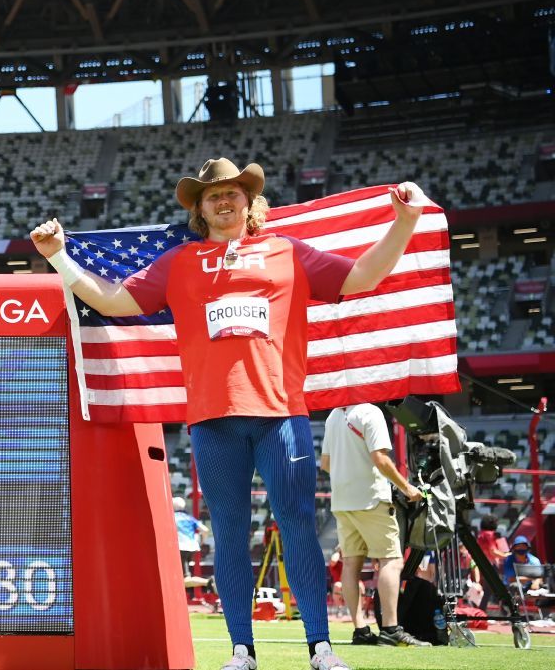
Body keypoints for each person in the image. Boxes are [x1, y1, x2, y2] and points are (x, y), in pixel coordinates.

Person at [32, 158, 428, 670]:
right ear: (199, 208)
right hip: (212, 420)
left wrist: (405, 222)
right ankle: (242, 649)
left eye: (233, 192)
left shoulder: (287, 252)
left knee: (299, 528)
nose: (223, 201)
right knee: (229, 536)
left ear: (250, 200)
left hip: (281, 414)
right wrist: (60, 258)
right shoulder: (179, 262)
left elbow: (361, 276)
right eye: (212, 195)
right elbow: (116, 301)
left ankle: (321, 648)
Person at [320, 403, 428, 647]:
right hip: (371, 499)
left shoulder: (333, 415)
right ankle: (390, 629)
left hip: (342, 501)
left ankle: (360, 630)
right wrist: (407, 487)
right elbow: (380, 459)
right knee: (391, 560)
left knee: (350, 564)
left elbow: (325, 464)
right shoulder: (371, 412)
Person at [173, 496, 208, 577]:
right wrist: (201, 543)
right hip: (192, 547)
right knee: (184, 571)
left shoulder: (172, 517)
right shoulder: (189, 518)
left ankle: (208, 583)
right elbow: (205, 530)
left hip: (179, 547)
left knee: (183, 576)